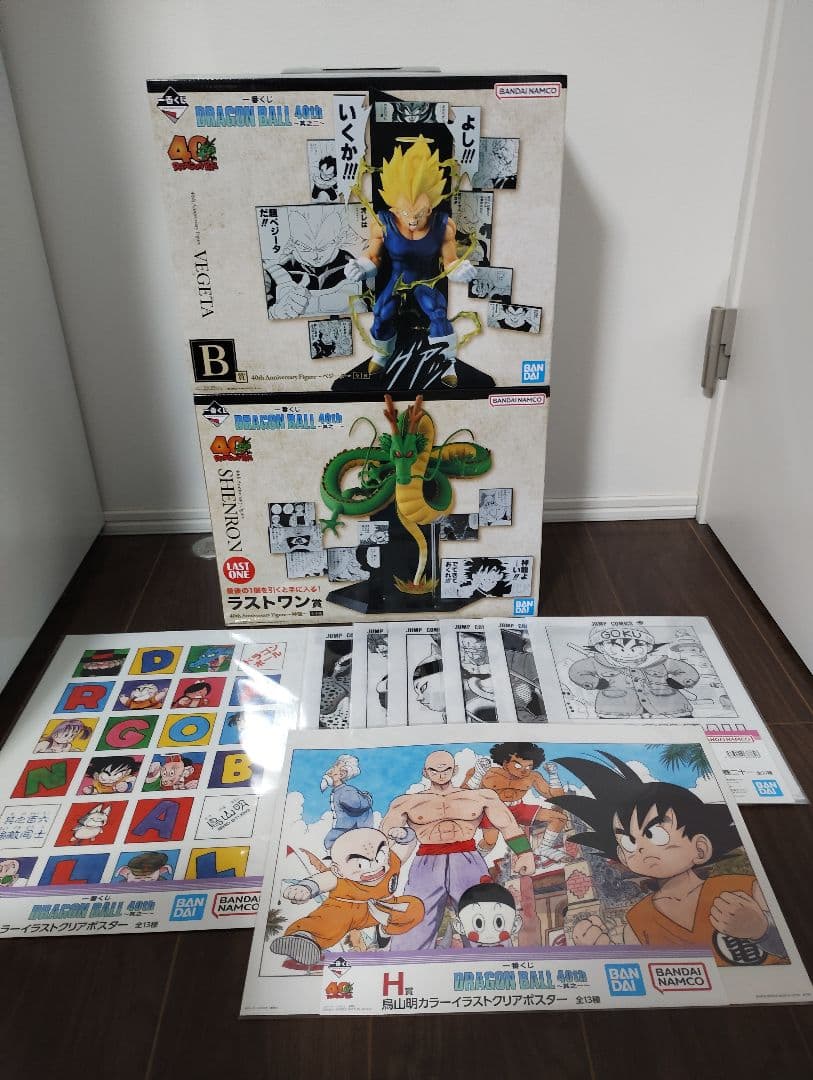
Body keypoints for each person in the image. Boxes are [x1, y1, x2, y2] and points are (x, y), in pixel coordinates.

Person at [550, 753, 788, 966]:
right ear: (622, 855)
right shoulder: (637, 919)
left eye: (655, 834)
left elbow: (790, 950)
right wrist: (601, 950)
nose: (641, 849)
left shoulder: (742, 888)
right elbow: (638, 973)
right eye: (629, 842)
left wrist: (762, 931)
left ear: (701, 848)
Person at [344, 136, 476, 386]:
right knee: (381, 312)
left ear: (431, 207)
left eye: (420, 213)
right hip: (397, 278)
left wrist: (459, 270)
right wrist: (361, 267)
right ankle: (382, 353)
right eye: (406, 213)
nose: (413, 220)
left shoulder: (443, 225)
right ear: (394, 208)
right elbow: (373, 257)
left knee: (437, 313)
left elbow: (450, 260)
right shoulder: (383, 223)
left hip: (426, 279)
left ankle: (446, 362)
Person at [379, 750, 535, 950]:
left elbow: (507, 824)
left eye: (446, 769)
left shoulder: (480, 797)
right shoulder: (406, 803)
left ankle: (493, 963)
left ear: (455, 770)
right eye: (434, 770)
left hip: (467, 861)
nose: (440, 774)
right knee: (415, 917)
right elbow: (384, 838)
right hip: (426, 863)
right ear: (425, 772)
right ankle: (407, 964)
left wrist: (525, 853)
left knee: (483, 914)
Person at [268, 827, 424, 968]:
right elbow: (321, 881)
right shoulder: (339, 877)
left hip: (383, 906)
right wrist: (305, 888)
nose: (376, 867)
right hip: (345, 909)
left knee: (413, 907)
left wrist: (405, 836)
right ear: (338, 870)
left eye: (380, 856)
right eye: (362, 864)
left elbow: (405, 848)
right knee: (329, 922)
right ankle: (304, 938)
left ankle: (383, 932)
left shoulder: (390, 861)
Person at [463, 742, 567, 860]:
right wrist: (477, 776)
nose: (524, 770)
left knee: (559, 818)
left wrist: (553, 775)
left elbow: (557, 797)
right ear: (505, 763)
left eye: (528, 766)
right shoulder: (488, 773)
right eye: (518, 765)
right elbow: (462, 794)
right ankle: (473, 860)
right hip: (493, 810)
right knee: (490, 842)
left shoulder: (533, 776)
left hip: (518, 809)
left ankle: (545, 848)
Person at [568, 625, 700, 718]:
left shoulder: (660, 661)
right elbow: (577, 671)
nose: (627, 651)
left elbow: (687, 671)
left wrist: (680, 681)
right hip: (616, 711)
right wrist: (594, 682)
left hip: (672, 708)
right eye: (616, 646)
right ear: (600, 647)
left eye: (637, 646)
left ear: (648, 647)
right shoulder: (597, 662)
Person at [320, 755, 374, 852]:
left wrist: (366, 797)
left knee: (331, 842)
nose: (330, 770)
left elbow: (359, 804)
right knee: (329, 842)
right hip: (343, 833)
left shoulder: (346, 792)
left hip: (350, 833)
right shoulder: (339, 791)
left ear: (342, 774)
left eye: (335, 766)